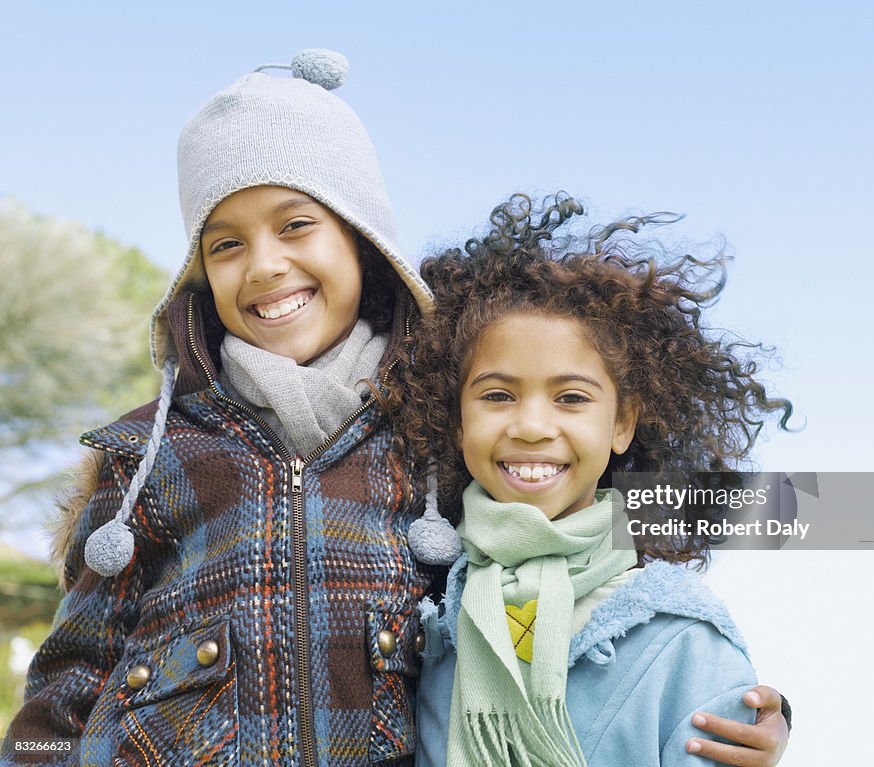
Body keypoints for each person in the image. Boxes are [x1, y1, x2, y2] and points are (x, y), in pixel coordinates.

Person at [1, 53, 789, 767]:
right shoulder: (151, 453)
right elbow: (64, 680)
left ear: (361, 238)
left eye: (297, 224)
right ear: (199, 273)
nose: (266, 265)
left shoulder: (437, 430)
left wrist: (753, 705)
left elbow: (633, 517)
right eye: (225, 244)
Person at [390, 193, 793, 766]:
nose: (532, 426)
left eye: (571, 397)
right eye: (498, 396)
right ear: (457, 422)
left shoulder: (680, 637)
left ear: (622, 422)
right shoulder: (429, 614)